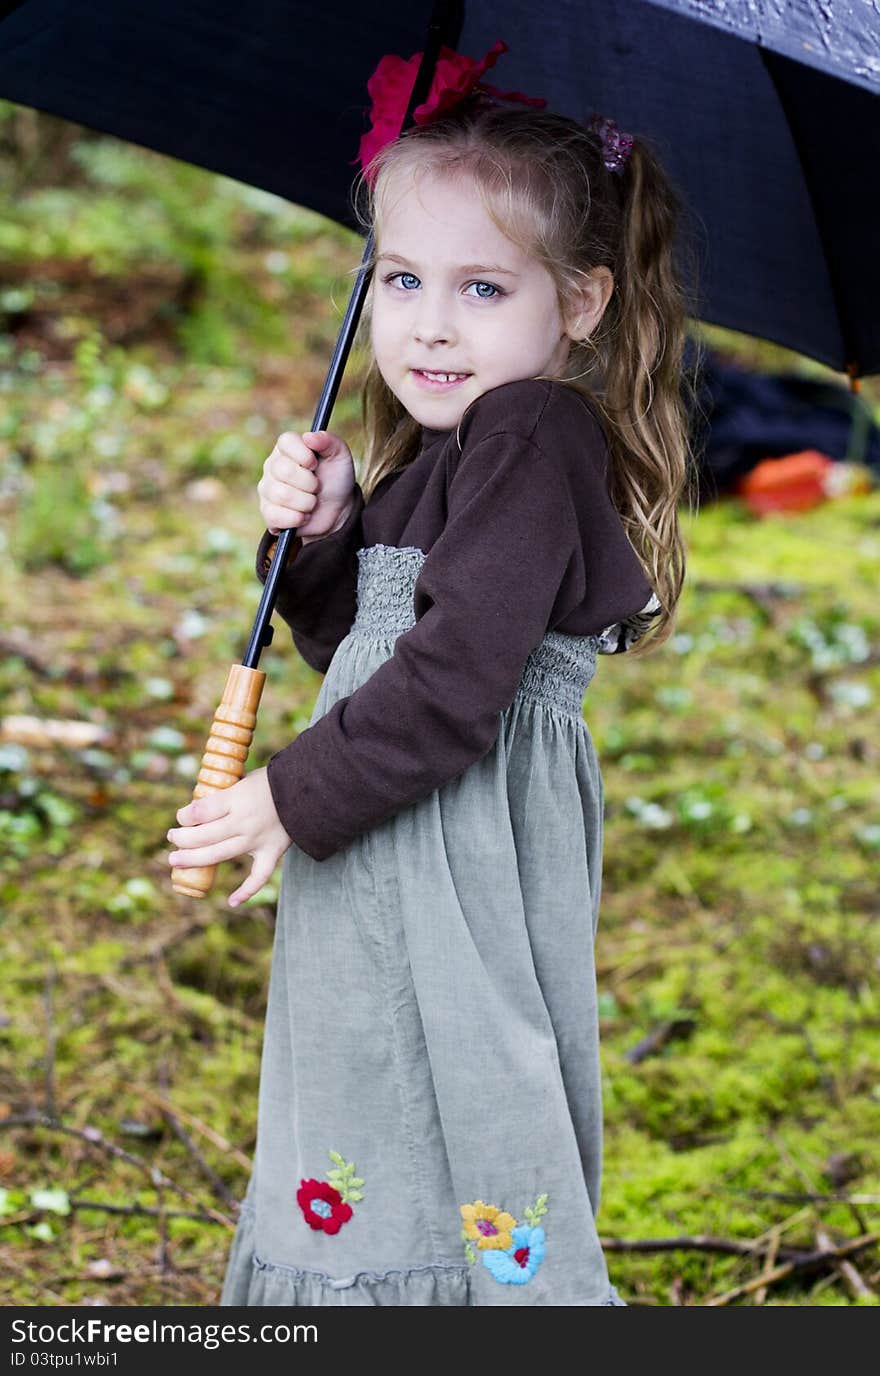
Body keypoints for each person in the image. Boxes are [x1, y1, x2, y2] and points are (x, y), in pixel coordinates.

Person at [166, 41, 698, 1306]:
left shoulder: (531, 430)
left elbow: (454, 679)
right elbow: (362, 638)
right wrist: (326, 532)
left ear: (577, 302)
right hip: (396, 825)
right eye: (401, 279)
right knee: (377, 1067)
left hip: (447, 845)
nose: (429, 324)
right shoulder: (460, 448)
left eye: (479, 287)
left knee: (451, 1062)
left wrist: (286, 792)